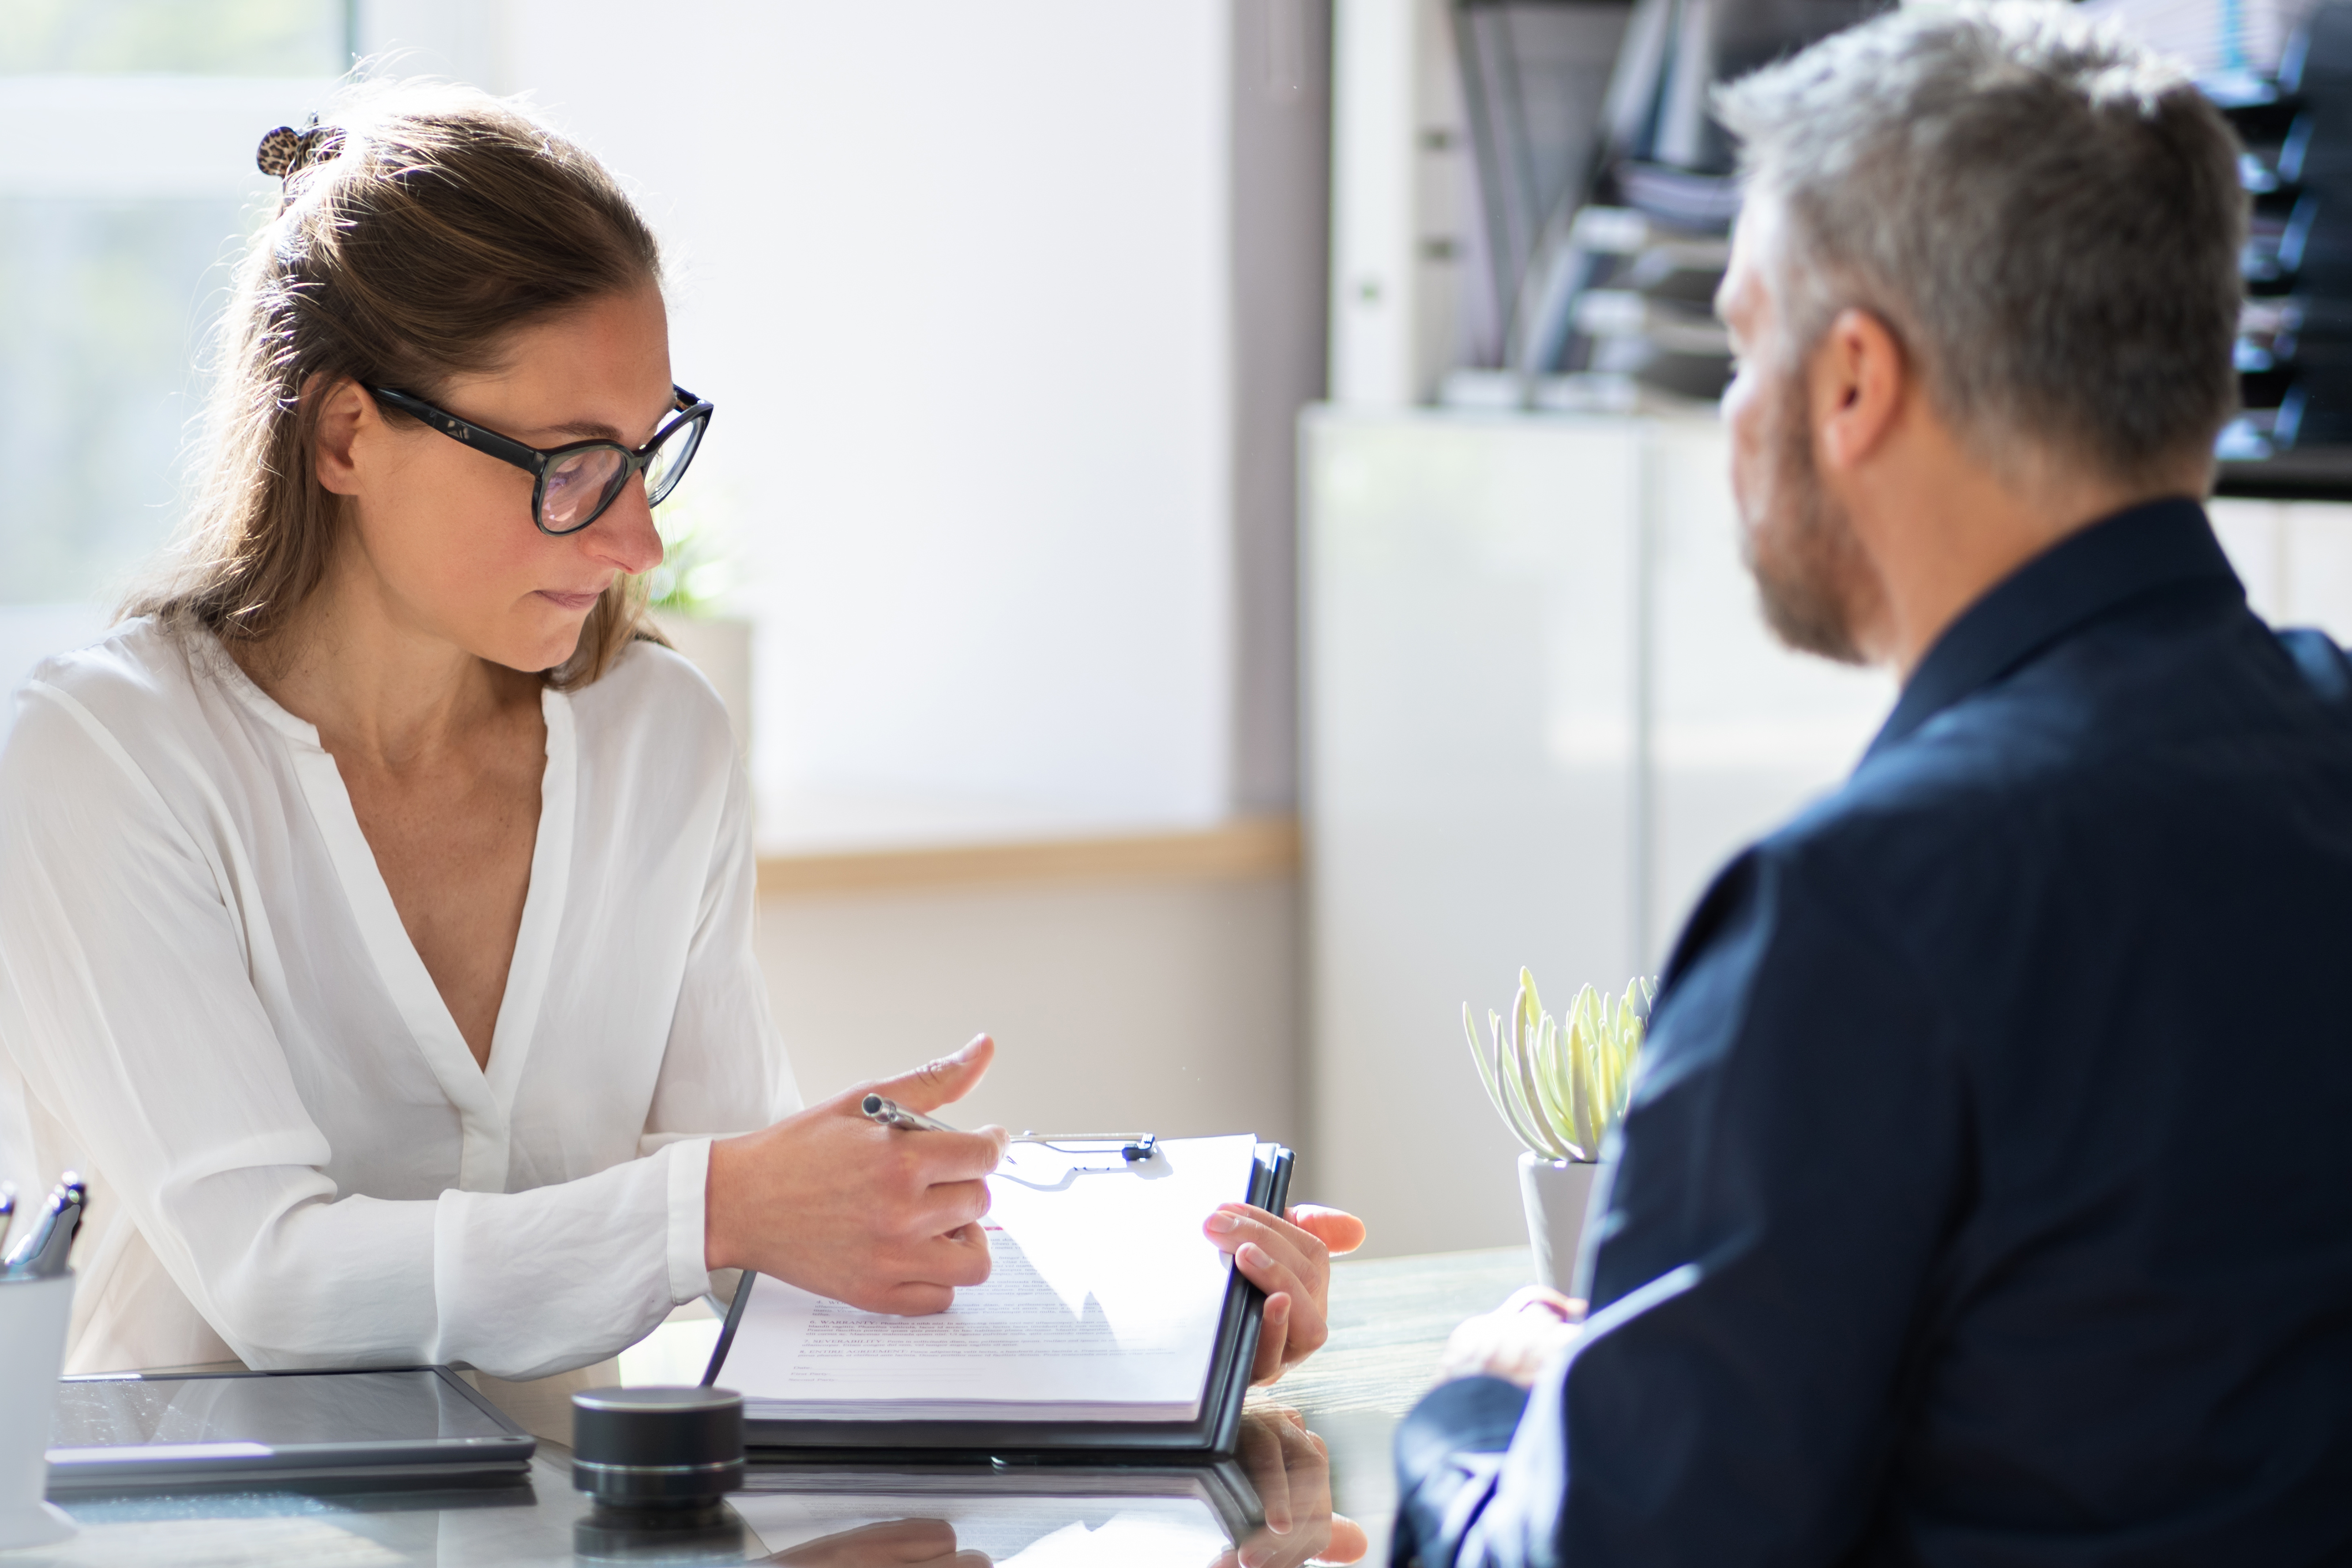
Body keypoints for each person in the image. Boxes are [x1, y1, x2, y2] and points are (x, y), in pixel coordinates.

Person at [0, 83, 1360, 1436]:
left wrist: (1182, 1313)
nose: (636, 540)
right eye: (571, 462)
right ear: (348, 434)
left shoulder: (662, 737)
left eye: (648, 453)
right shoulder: (110, 758)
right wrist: (718, 1205)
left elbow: (762, 1243)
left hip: (564, 1530)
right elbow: (273, 1285)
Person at [1394, 6, 2352, 1564]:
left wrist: (1485, 1422)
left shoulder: (1859, 915)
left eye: (1741, 331)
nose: (1729, 414)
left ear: (1851, 383)